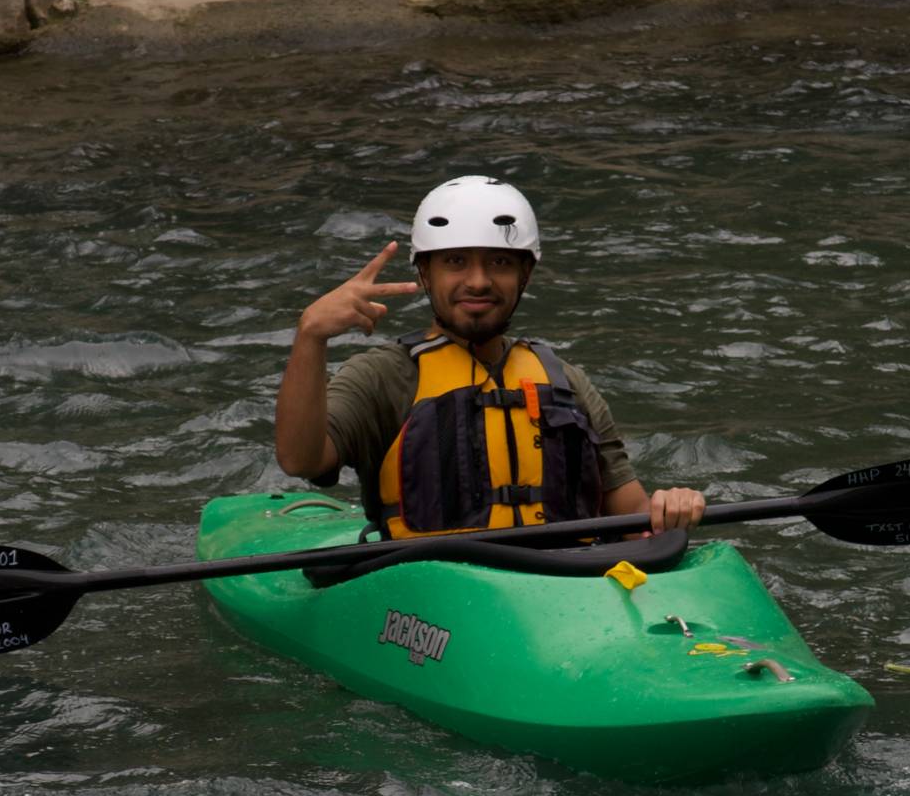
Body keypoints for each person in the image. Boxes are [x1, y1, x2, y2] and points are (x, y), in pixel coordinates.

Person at [274, 176, 708, 539]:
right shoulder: (383, 377)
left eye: (499, 262)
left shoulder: (566, 382)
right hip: (435, 591)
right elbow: (301, 461)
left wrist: (669, 509)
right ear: (425, 273)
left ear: (526, 274)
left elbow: (631, 515)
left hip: (569, 583)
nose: (478, 281)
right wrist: (311, 336)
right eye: (456, 262)